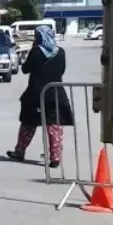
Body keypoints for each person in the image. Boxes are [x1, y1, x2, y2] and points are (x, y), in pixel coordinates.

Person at [7, 25, 73, 168]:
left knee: (28, 123)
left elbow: (25, 69)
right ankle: (55, 157)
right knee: (54, 126)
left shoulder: (36, 52)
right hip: (55, 92)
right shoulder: (60, 52)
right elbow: (61, 70)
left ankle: (19, 152)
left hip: (36, 94)